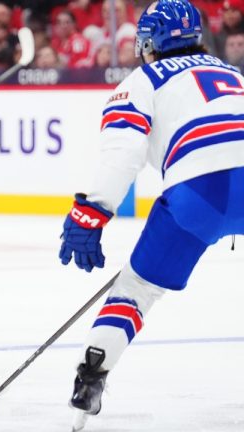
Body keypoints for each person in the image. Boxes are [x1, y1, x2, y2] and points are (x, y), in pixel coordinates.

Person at [58, 0, 244, 427]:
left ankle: (92, 377)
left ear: (149, 42)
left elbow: (122, 154)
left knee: (137, 288)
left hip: (201, 193)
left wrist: (90, 213)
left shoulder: (140, 81)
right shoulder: (231, 72)